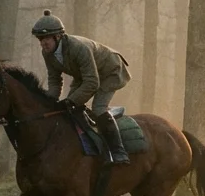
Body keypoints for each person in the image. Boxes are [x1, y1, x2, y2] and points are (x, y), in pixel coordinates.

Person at [31, 10, 133, 165]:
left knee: (98, 108)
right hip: (85, 76)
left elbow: (93, 83)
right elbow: (54, 80)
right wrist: (49, 102)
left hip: (110, 71)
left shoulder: (79, 48)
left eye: (46, 38)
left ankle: (118, 151)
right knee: (68, 110)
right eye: (40, 39)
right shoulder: (47, 53)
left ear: (58, 36)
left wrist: (71, 101)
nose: (43, 43)